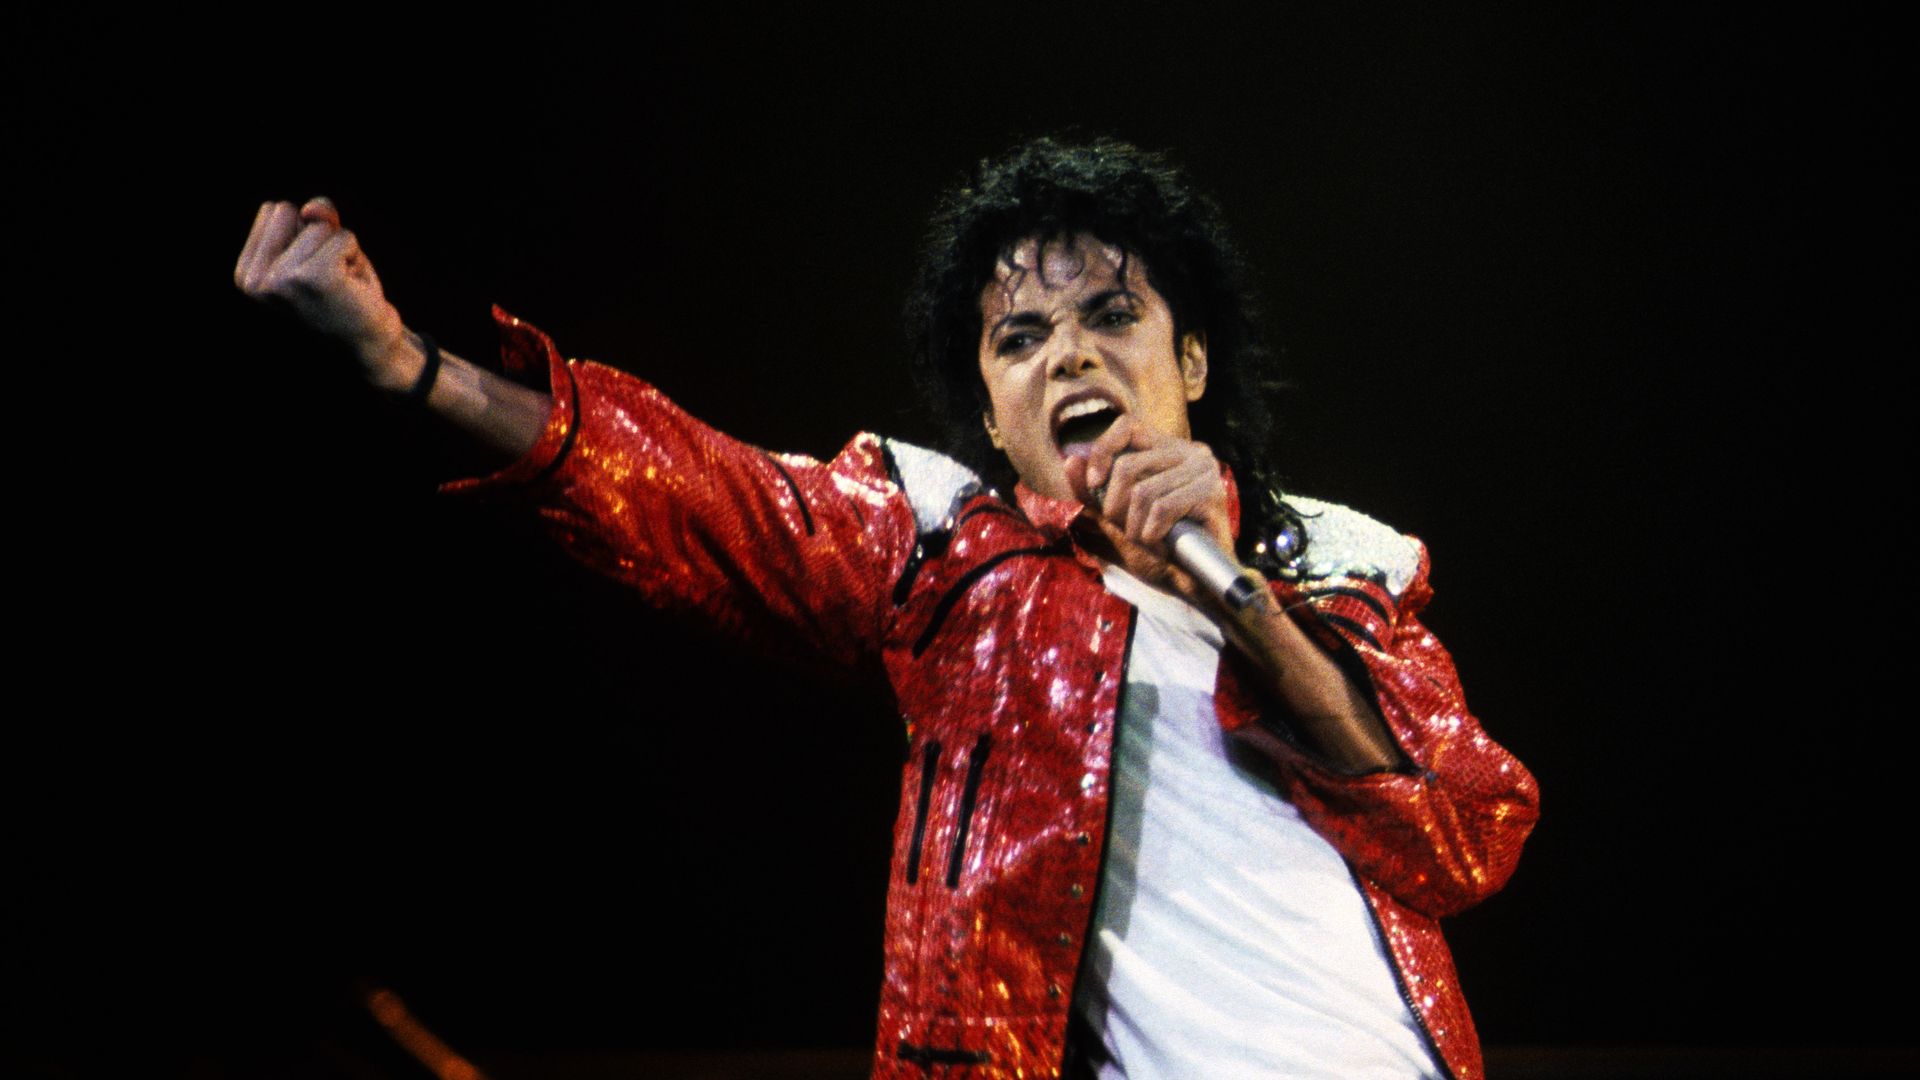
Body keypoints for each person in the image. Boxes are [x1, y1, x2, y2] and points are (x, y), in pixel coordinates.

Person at [235, 137, 1537, 1080]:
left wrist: (1226, 573)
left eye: (1109, 316)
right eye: (1019, 336)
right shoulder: (950, 563)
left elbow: (1459, 836)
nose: (1070, 352)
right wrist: (406, 367)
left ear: (1188, 363)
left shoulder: (1337, 566)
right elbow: (685, 487)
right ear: (992, 417)